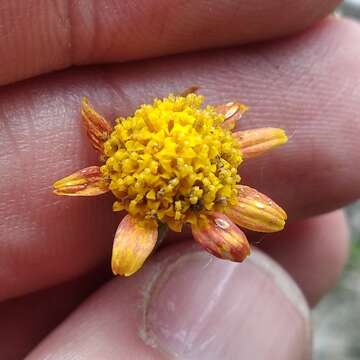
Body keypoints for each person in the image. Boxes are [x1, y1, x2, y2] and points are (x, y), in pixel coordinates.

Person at [0, 1, 357, 359]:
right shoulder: (136, 198)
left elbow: (252, 228)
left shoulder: (218, 152)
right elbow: (127, 256)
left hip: (196, 202)